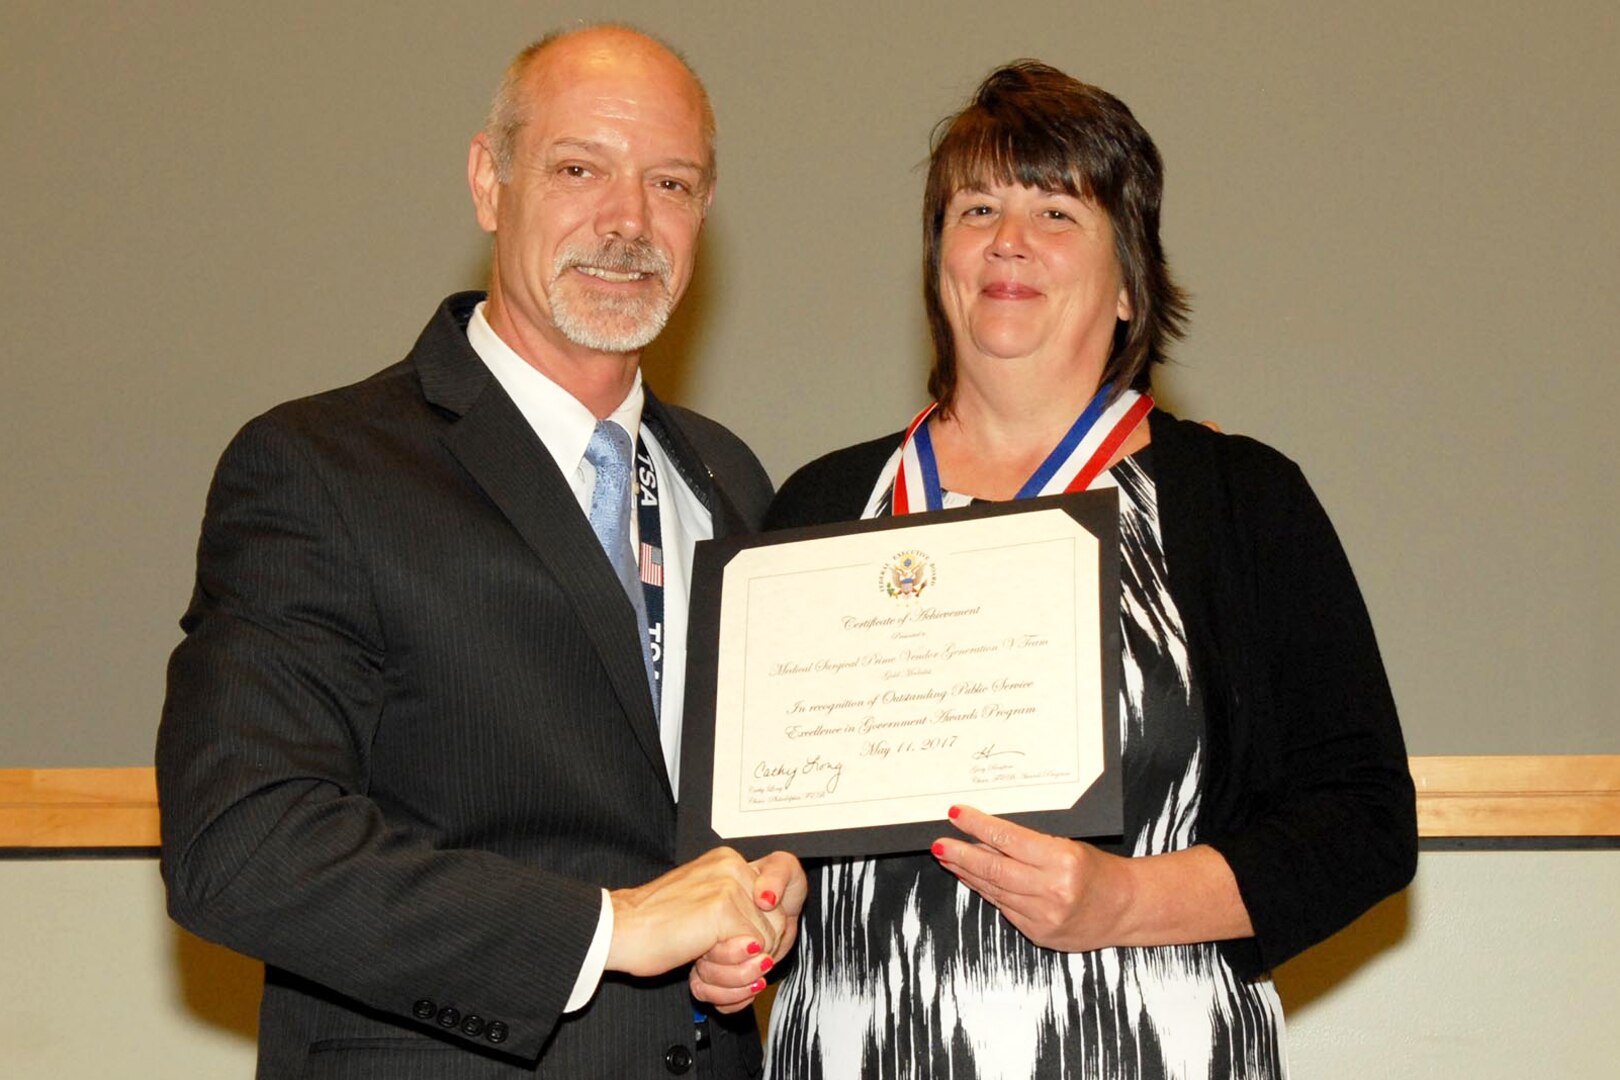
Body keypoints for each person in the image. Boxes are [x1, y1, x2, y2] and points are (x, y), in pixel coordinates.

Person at [157, 25, 802, 1079]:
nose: (628, 220)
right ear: (488, 181)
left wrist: (771, 893)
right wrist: (606, 929)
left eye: (671, 183)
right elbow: (242, 847)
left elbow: (724, 822)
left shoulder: (729, 481)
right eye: (579, 167)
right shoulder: (320, 467)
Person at [751, 62, 1418, 1078]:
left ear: (1128, 285)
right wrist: (752, 903)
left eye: (1057, 210)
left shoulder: (1238, 502)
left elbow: (1364, 823)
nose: (1008, 238)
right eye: (977, 207)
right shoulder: (818, 506)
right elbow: (751, 824)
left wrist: (1126, 902)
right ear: (939, 262)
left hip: (1146, 1048)